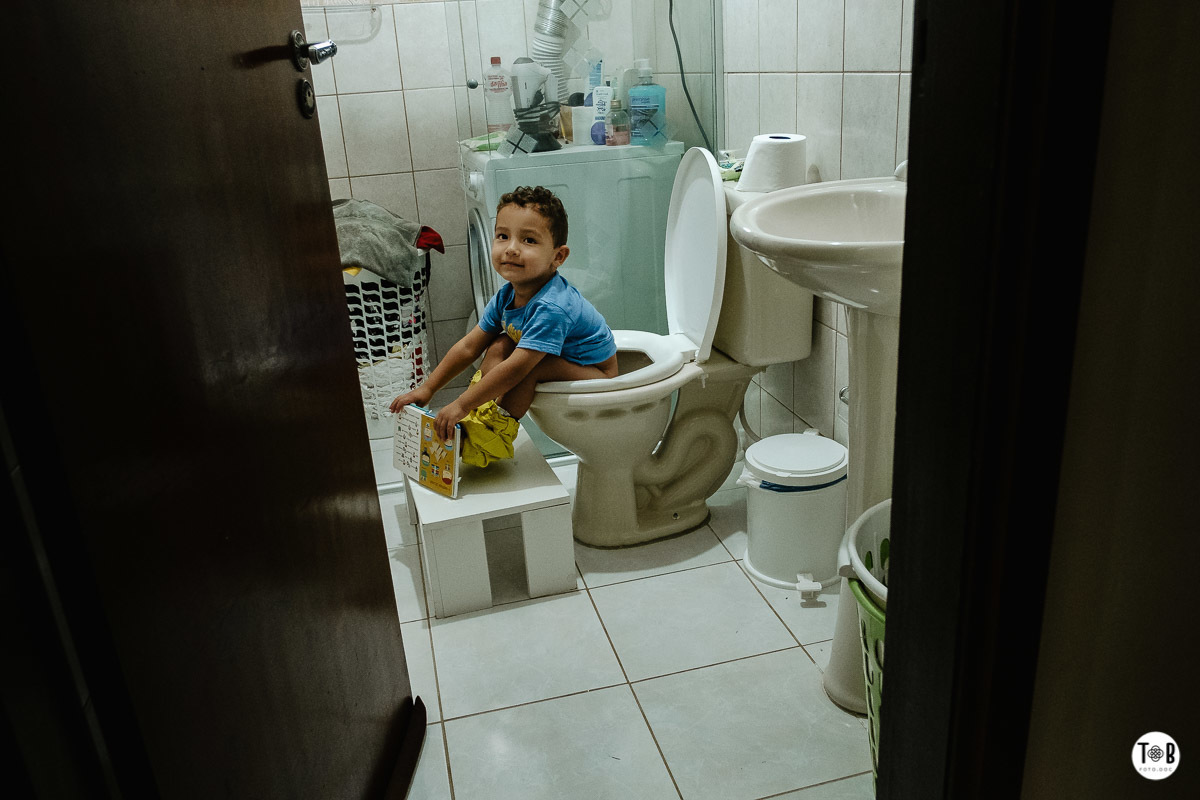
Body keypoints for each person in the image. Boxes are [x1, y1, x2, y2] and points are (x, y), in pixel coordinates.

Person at [389, 186, 618, 467]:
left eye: (529, 240)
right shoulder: (508, 294)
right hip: (560, 357)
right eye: (502, 236)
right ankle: (481, 412)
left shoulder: (552, 307)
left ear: (558, 257)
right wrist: (428, 389)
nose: (511, 248)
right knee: (499, 342)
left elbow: (519, 368)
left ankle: (490, 436)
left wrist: (460, 403)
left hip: (597, 374)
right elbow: (469, 346)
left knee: (530, 368)